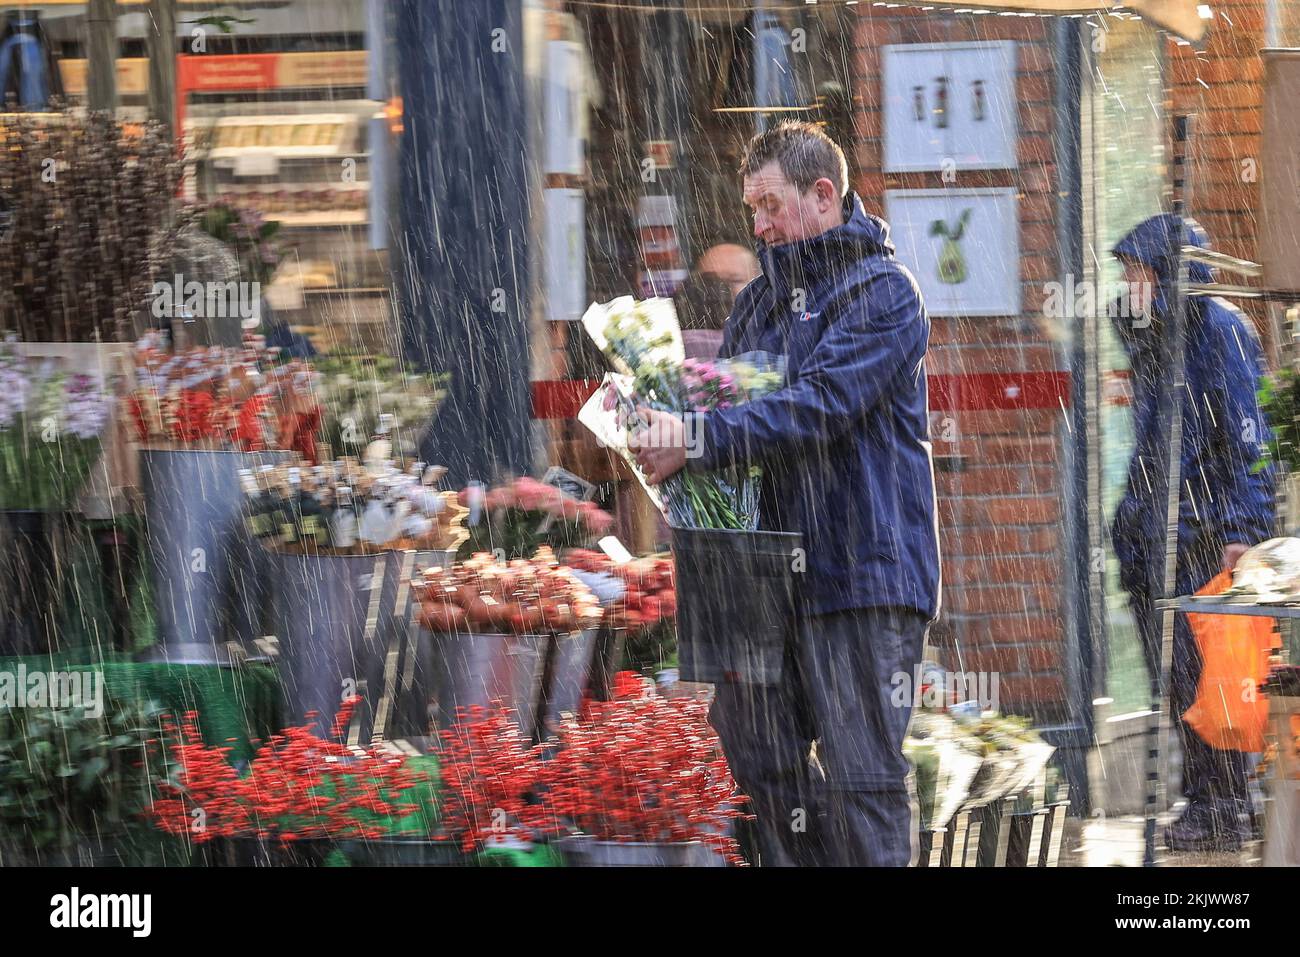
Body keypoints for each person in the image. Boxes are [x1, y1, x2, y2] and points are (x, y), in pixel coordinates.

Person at [632, 120, 940, 866]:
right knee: (755, 763)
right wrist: (661, 433)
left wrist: (696, 438)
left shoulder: (884, 294)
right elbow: (733, 418)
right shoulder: (758, 304)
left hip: (862, 573)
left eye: (771, 204)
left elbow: (819, 407)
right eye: (752, 209)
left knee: (863, 777)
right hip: (763, 579)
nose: (760, 223)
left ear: (823, 194)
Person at [1109, 214, 1275, 852]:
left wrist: (1243, 529)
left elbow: (1250, 438)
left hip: (1204, 535)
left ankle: (1224, 802)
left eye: (1139, 272)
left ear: (1171, 276)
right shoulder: (1162, 339)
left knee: (1211, 678)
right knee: (1178, 678)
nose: (1129, 286)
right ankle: (1209, 799)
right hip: (1161, 534)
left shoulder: (1220, 334)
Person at [674, 244, 759, 361]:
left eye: (734, 280)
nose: (720, 288)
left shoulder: (777, 335)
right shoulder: (678, 343)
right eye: (709, 280)